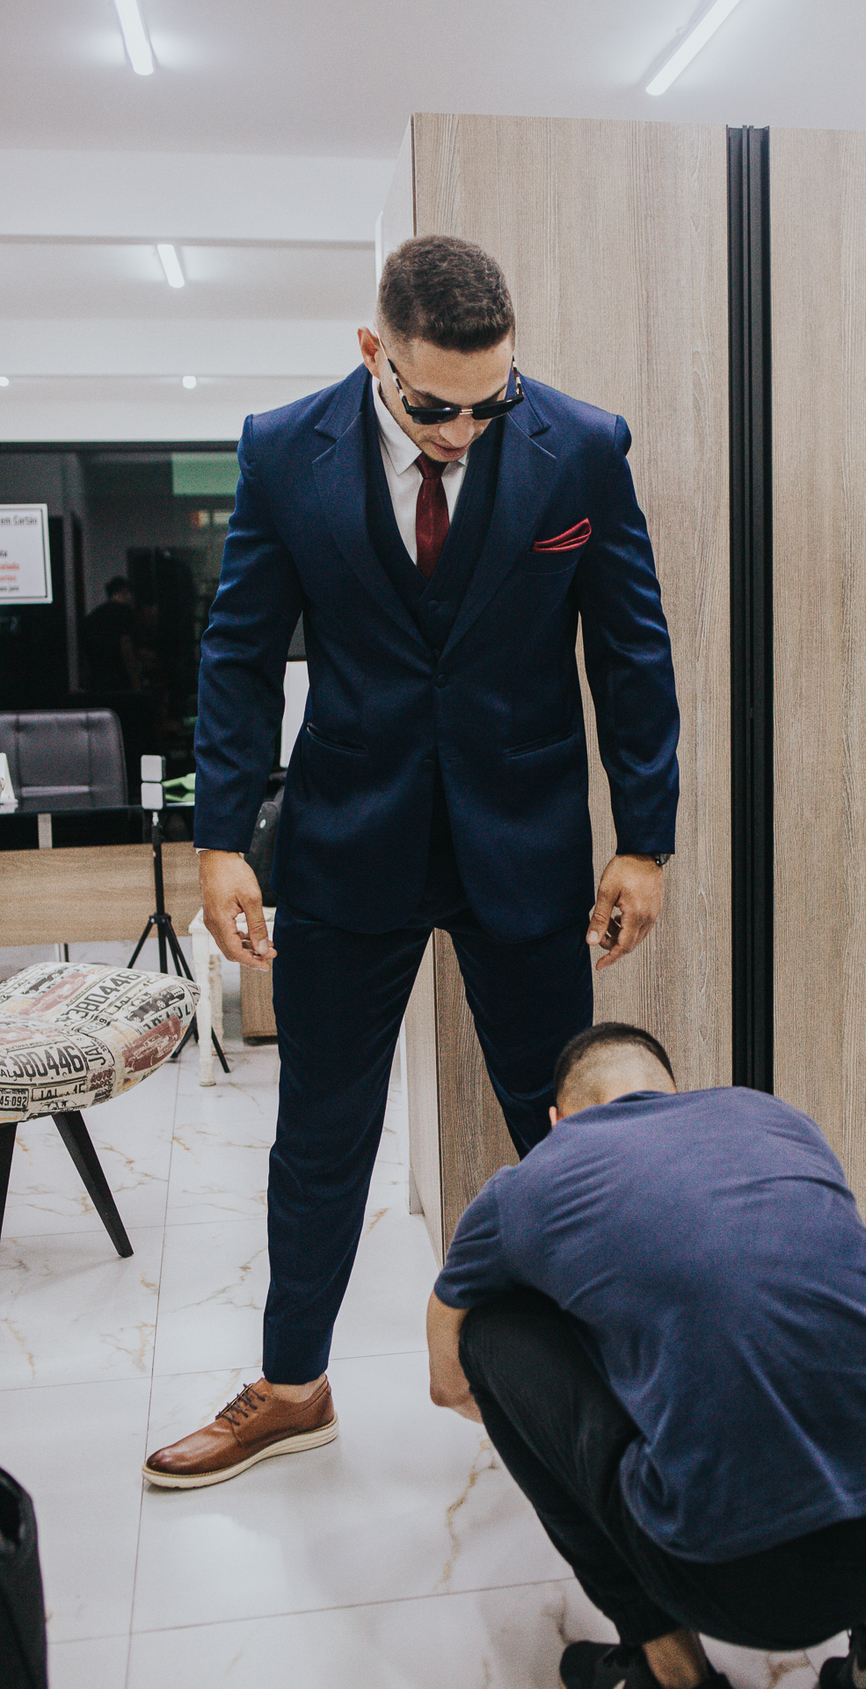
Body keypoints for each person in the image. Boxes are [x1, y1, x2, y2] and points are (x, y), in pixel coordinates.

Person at [142, 236, 680, 1489]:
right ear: (373, 353)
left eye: (492, 402)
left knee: (566, 1126)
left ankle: (624, 1368)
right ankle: (293, 1385)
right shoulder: (283, 450)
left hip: (525, 839)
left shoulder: (581, 446)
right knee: (322, 1129)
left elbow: (632, 652)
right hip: (348, 839)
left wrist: (643, 841)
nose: (465, 432)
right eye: (437, 408)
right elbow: (238, 652)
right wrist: (221, 841)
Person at [426, 1024, 866, 1689]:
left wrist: (547, 1411)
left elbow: (447, 1359)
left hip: (744, 1581)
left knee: (493, 1330)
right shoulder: (771, 1118)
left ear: (559, 1122)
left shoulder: (528, 1183)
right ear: (675, 1091)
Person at [83, 576, 140, 690]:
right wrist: (135, 678)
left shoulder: (93, 616)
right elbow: (126, 646)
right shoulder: (125, 612)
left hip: (98, 679)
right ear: (125, 592)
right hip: (120, 677)